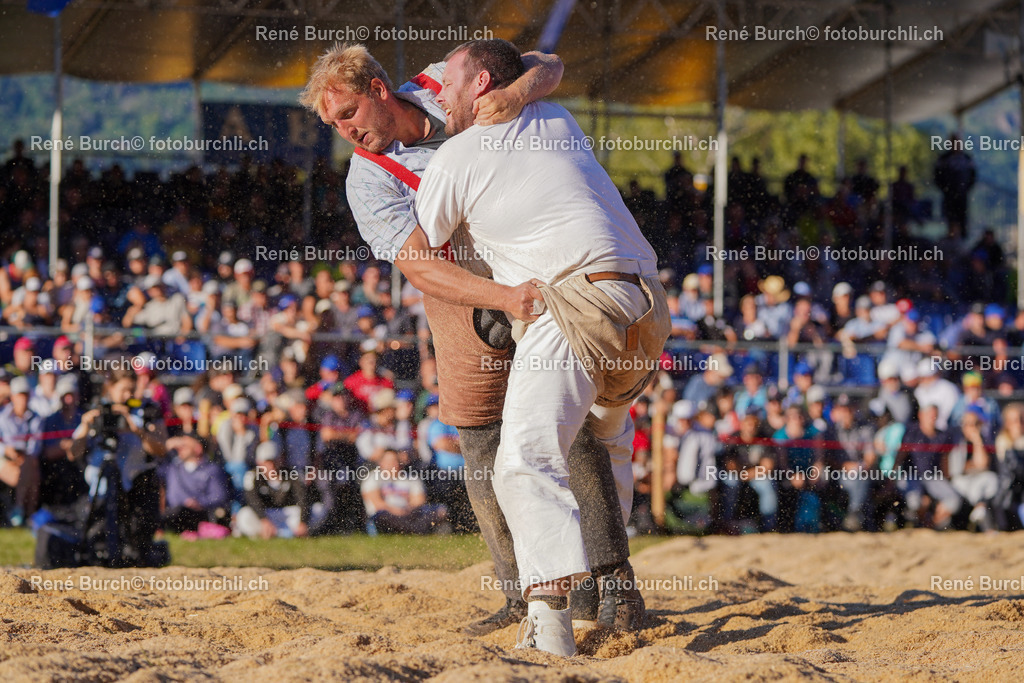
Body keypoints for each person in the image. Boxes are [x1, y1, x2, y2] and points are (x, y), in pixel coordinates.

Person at [300, 41, 641, 637]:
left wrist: (515, 93)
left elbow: (547, 62)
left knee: (571, 424)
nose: (346, 131)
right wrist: (503, 298)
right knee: (481, 438)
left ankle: (611, 585)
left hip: (539, 261)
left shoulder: (444, 80)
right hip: (459, 288)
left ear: (380, 90)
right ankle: (520, 594)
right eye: (334, 125)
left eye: (349, 113)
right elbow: (421, 267)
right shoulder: (367, 178)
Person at [415, 38, 671, 655]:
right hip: (646, 307)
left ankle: (551, 624)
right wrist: (523, 85)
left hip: (573, 307)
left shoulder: (455, 156)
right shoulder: (556, 116)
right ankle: (615, 593)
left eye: (448, 84)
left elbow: (425, 248)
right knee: (604, 441)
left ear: (480, 85)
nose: (439, 96)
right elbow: (545, 60)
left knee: (524, 457)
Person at [235, 441, 315, 539]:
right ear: (259, 462)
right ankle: (272, 532)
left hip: (288, 514)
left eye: (274, 460)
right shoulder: (252, 476)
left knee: (317, 510)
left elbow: (302, 499)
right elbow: (253, 500)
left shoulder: (291, 474)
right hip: (266, 514)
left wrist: (302, 522)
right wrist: (264, 519)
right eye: (267, 461)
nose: (271, 465)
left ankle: (294, 532)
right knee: (244, 515)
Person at [361, 448, 448, 534]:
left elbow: (419, 501)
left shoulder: (412, 478)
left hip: (409, 514)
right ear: (381, 463)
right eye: (389, 461)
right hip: (387, 514)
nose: (393, 464)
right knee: (381, 515)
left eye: (395, 461)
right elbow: (377, 503)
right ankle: (416, 530)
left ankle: (409, 529)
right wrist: (396, 511)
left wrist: (407, 510)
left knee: (440, 510)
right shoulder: (373, 478)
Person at [161, 435, 230, 533]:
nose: (180, 449)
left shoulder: (212, 469)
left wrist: (199, 502)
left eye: (184, 446)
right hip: (171, 512)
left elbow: (219, 496)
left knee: (179, 511)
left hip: (196, 514)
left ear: (198, 448)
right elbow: (155, 470)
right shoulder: (173, 467)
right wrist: (166, 447)